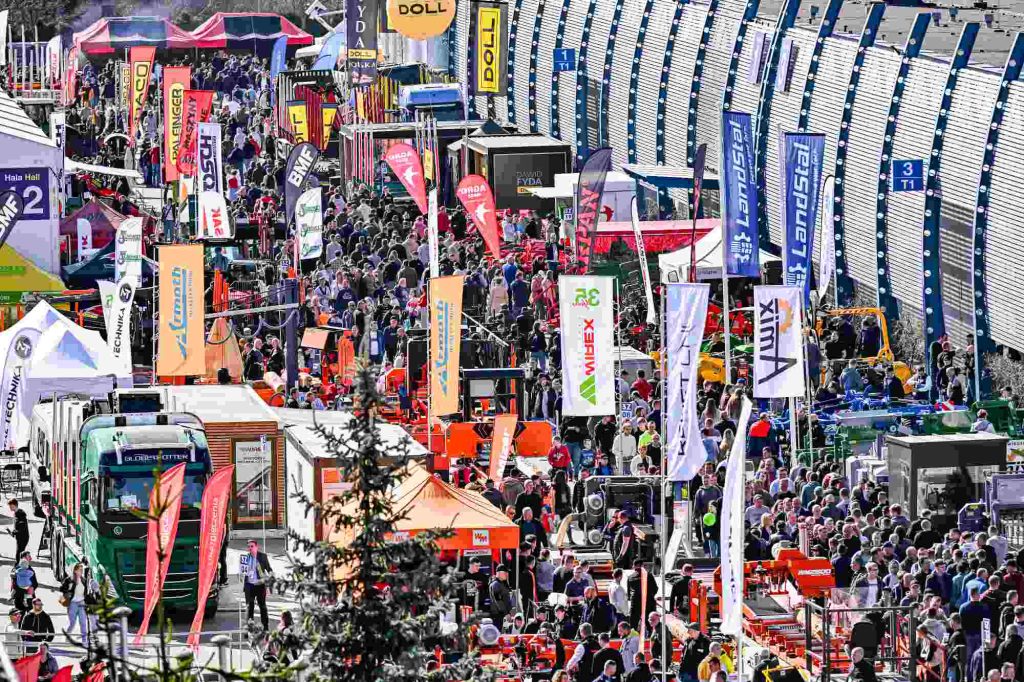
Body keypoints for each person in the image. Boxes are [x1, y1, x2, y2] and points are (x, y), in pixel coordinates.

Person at [240, 539, 274, 631]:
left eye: (252, 546)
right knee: (249, 607)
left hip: (260, 585)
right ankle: (249, 628)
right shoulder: (245, 558)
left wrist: (269, 577)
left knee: (262, 606)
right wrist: (241, 575)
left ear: (256, 547)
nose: (250, 548)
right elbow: (242, 572)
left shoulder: (263, 556)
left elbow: (269, 569)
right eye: (248, 547)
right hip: (249, 586)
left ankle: (265, 628)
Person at [60, 562, 98, 641]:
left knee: (83, 623)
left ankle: (84, 640)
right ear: (75, 571)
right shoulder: (69, 580)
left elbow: (86, 592)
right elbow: (62, 588)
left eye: (82, 570)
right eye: (80, 570)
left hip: (81, 603)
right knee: (72, 623)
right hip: (72, 604)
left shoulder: (83, 580)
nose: (81, 571)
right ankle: (67, 638)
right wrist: (68, 590)